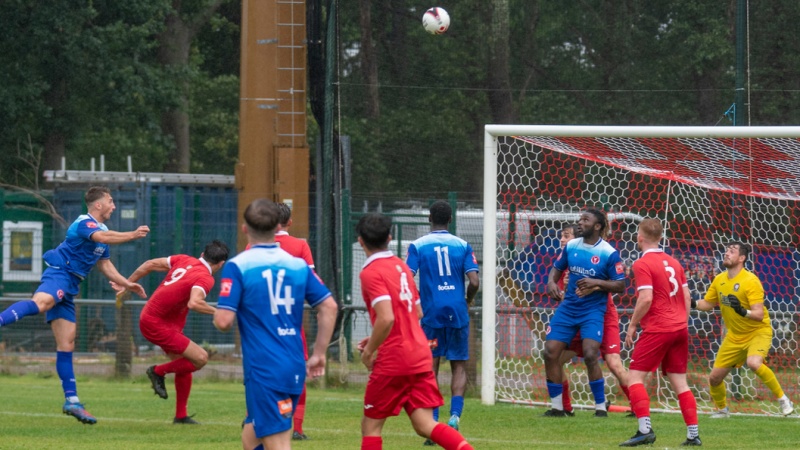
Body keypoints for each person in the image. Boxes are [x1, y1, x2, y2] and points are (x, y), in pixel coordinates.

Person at [0, 186, 149, 424]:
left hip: (71, 286)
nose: (114, 206)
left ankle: (71, 401)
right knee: (42, 303)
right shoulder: (84, 223)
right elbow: (103, 238)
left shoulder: (103, 231)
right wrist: (132, 234)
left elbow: (106, 265)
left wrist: (128, 284)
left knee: (67, 343)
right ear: (98, 205)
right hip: (59, 274)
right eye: (110, 201)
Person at [213, 199, 338, 450]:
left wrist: (230, 307)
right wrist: (319, 353)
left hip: (264, 367)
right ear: (279, 226)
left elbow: (223, 321)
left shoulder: (239, 265)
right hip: (293, 361)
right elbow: (329, 306)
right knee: (251, 436)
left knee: (278, 443)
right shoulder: (297, 264)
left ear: (245, 228)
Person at [356, 213, 474, 450]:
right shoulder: (400, 266)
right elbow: (415, 312)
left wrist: (370, 350)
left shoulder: (370, 272)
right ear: (389, 237)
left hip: (394, 358)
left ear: (360, 241)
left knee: (371, 427)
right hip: (418, 354)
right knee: (424, 424)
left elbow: (387, 317)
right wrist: (381, 334)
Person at [115, 240, 230, 424]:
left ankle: (181, 416)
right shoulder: (205, 278)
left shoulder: (184, 259)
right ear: (221, 264)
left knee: (183, 365)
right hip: (157, 324)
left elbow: (149, 264)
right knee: (200, 358)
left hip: (157, 319)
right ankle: (157, 371)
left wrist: (127, 284)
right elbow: (195, 303)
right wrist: (221, 312)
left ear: (202, 254)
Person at [619, 219, 700, 447]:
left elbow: (646, 298)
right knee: (680, 383)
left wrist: (633, 324)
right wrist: (682, 324)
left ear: (640, 237)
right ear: (660, 237)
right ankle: (693, 434)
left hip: (658, 328)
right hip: (679, 328)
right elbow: (686, 297)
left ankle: (645, 430)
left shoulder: (642, 264)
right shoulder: (674, 262)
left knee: (634, 377)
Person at [405, 200, 480, 438]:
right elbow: (475, 281)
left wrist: (416, 303)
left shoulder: (417, 246)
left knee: (431, 366)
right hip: (457, 311)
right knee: (458, 364)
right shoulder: (463, 245)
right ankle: (455, 415)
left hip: (431, 314)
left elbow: (407, 277)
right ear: (450, 220)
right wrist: (467, 300)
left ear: (429, 218)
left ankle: (434, 422)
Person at [694, 241, 794, 418]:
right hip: (734, 336)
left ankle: (783, 399)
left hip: (758, 331)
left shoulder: (751, 281)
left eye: (731, 251)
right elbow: (707, 304)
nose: (726, 253)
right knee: (714, 378)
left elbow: (758, 315)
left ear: (742, 258)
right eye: (726, 251)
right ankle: (722, 411)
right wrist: (692, 303)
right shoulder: (719, 279)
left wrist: (741, 310)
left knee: (754, 363)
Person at [543, 208, 626, 417]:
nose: (580, 222)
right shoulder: (571, 246)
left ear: (597, 226)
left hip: (593, 310)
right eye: (580, 219)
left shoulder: (608, 252)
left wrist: (596, 282)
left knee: (591, 354)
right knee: (550, 352)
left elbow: (620, 285)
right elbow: (557, 268)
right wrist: (551, 282)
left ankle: (600, 408)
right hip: (568, 307)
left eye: (585, 220)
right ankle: (557, 408)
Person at [274, 202, 314, 440]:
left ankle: (254, 418)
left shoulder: (253, 246)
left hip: (263, 321)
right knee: (297, 373)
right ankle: (296, 427)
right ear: (289, 222)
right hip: (291, 319)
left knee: (260, 372)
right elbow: (312, 281)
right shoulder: (300, 245)